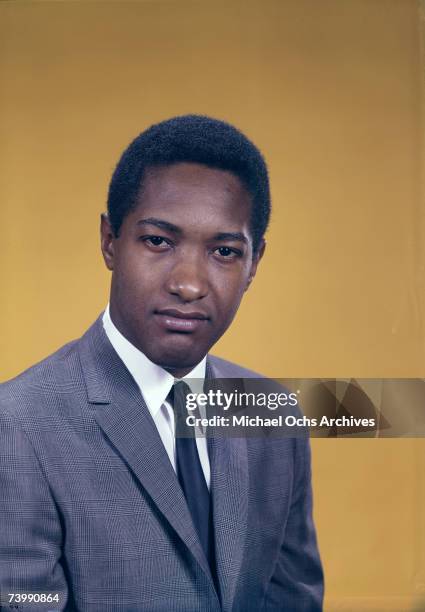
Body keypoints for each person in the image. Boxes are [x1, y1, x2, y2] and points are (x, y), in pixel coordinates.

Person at [0, 115, 323, 611]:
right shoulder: (18, 424)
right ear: (110, 240)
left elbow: (294, 600)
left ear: (254, 262)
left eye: (223, 251)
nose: (189, 284)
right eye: (158, 241)